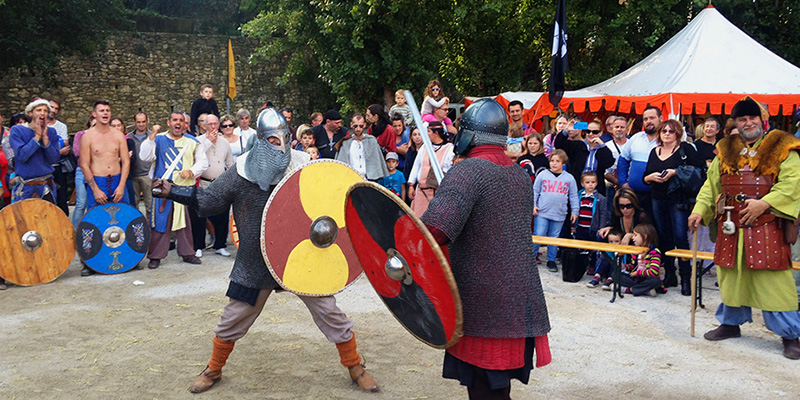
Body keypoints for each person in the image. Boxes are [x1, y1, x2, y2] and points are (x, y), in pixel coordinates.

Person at [150, 107, 379, 394]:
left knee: (330, 312)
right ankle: (214, 368)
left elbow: (329, 204)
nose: (280, 145)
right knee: (233, 318)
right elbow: (209, 201)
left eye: (283, 137)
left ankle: (355, 365)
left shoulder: (301, 167)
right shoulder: (241, 171)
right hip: (255, 258)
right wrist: (174, 191)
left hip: (303, 255)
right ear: (260, 140)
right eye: (272, 140)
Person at [421, 98, 550, 399]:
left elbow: (435, 230)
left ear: (469, 134)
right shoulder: (518, 173)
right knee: (495, 390)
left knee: (483, 389)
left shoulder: (469, 172)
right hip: (516, 298)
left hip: (485, 302)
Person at [688, 96, 800, 360]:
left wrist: (765, 204)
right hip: (731, 227)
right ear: (736, 123)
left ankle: (790, 334)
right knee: (730, 275)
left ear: (762, 120)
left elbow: (792, 184)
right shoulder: (725, 149)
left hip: (767, 226)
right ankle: (730, 324)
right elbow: (711, 185)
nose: (748, 122)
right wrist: (698, 210)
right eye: (742, 119)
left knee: (774, 282)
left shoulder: (783, 147)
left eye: (752, 118)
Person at [643, 119, 704, 294]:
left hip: (678, 199)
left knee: (680, 237)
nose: (667, 134)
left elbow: (700, 171)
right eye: (664, 131)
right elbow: (645, 177)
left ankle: (686, 278)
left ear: (678, 133)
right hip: (658, 197)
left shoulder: (686, 150)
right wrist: (651, 177)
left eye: (671, 131)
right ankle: (670, 274)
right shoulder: (655, 151)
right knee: (664, 237)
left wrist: (676, 172)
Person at [139, 112, 208, 269]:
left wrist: (191, 171)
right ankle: (155, 255)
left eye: (181, 121)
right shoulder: (158, 139)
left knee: (185, 222)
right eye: (175, 120)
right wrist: (153, 135)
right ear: (169, 122)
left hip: (183, 189)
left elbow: (203, 162)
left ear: (185, 124)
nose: (178, 123)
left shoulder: (192, 142)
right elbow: (144, 156)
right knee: (160, 221)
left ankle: (187, 252)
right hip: (162, 188)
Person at [192, 114, 234, 258]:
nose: (213, 127)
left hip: (220, 183)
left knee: (222, 215)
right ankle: (198, 246)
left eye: (215, 124)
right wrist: (208, 141)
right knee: (199, 215)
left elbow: (229, 163)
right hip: (203, 182)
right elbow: (196, 157)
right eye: (209, 124)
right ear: (204, 125)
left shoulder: (224, 143)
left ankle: (220, 245)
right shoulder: (198, 141)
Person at [533, 149, 579, 273]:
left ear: (563, 163)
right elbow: (535, 191)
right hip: (542, 211)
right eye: (552, 161)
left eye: (557, 161)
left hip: (559, 213)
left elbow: (573, 196)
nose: (554, 163)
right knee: (539, 234)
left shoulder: (569, 178)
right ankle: (532, 257)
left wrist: (575, 211)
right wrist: (533, 205)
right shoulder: (543, 175)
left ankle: (551, 260)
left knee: (554, 237)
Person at [9, 98, 61, 203]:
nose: (42, 113)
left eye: (45, 111)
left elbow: (54, 159)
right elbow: (22, 156)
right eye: (39, 110)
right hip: (26, 187)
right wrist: (37, 136)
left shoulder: (51, 132)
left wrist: (45, 139)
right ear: (30, 113)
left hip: (46, 185)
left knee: (49, 218)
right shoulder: (17, 130)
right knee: (24, 219)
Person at [618, 106, 661, 218]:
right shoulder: (636, 138)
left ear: (660, 118)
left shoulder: (666, 139)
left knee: (657, 227)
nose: (648, 121)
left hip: (658, 195)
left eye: (652, 118)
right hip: (634, 194)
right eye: (645, 119)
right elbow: (623, 160)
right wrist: (623, 182)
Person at [554, 118, 615, 196]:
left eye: (595, 132)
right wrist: (566, 130)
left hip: (596, 189)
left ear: (601, 133)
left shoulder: (602, 149)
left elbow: (609, 162)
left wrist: (602, 145)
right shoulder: (578, 145)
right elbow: (559, 145)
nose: (591, 134)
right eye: (588, 131)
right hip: (577, 187)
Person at [407, 121, 454, 216]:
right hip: (421, 192)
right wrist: (411, 185)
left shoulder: (449, 149)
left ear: (436, 133)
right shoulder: (425, 147)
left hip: (438, 194)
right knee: (418, 222)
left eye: (428, 131)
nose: (426, 134)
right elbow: (416, 166)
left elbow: (449, 170)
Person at [335, 114, 389, 181]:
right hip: (350, 178)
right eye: (355, 126)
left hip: (369, 178)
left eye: (361, 126)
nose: (358, 129)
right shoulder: (345, 142)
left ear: (365, 125)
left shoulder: (371, 140)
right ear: (351, 125)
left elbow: (376, 160)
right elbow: (341, 162)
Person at [575, 172, 609, 275]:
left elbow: (603, 214)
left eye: (593, 182)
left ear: (597, 183)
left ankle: (592, 266)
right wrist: (573, 226)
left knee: (593, 249)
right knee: (580, 246)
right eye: (587, 182)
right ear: (582, 183)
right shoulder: (578, 196)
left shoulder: (600, 198)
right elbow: (575, 211)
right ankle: (580, 264)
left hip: (592, 228)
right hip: (580, 226)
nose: (590, 184)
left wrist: (601, 228)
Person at [620, 223, 664, 297]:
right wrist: (624, 266)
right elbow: (632, 266)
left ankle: (629, 290)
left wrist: (637, 273)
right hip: (637, 279)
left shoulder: (654, 252)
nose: (633, 238)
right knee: (616, 274)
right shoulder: (636, 250)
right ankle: (645, 290)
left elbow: (653, 272)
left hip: (647, 278)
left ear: (645, 236)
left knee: (656, 281)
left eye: (635, 235)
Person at [70, 115, 96, 227]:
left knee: (94, 203)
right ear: (90, 122)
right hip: (82, 170)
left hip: (97, 171)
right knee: (81, 203)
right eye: (95, 125)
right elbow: (77, 152)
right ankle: (75, 230)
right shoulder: (80, 135)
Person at [47, 99, 72, 215]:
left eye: (56, 108)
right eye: (52, 107)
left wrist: (48, 148)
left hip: (58, 167)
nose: (54, 111)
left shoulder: (61, 126)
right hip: (43, 167)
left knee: (61, 197)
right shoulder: (36, 127)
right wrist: (57, 150)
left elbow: (65, 144)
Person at [129, 112, 153, 220]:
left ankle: (151, 232)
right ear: (134, 122)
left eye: (143, 121)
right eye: (138, 122)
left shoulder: (153, 136)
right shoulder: (128, 137)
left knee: (150, 206)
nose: (141, 124)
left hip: (147, 175)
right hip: (132, 175)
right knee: (133, 207)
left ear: (147, 121)